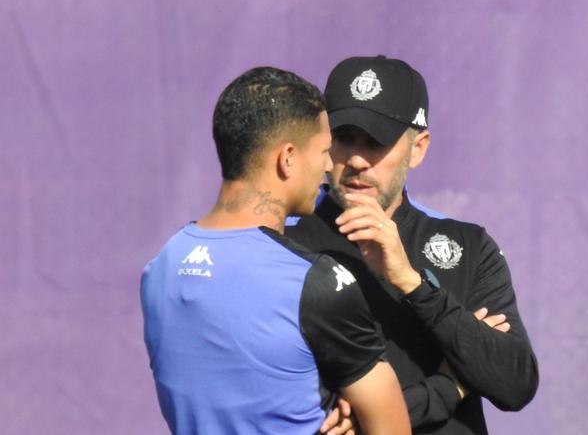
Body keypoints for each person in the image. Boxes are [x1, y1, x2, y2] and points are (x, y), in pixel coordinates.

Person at [140, 66, 410, 435]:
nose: (331, 166)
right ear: (287, 158)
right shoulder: (313, 281)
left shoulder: (161, 267)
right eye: (324, 151)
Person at [285, 56, 539, 434]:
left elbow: (515, 384)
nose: (356, 159)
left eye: (375, 142)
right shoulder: (285, 246)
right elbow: (324, 422)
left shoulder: (467, 247)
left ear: (417, 148)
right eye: (344, 138)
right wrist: (449, 388)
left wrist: (413, 284)